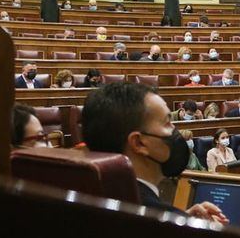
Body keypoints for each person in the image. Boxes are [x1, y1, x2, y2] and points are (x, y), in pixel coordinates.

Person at [82, 82, 227, 222]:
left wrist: (181, 217)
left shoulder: (87, 198)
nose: (174, 130)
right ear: (139, 143)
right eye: (167, 123)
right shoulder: (160, 220)